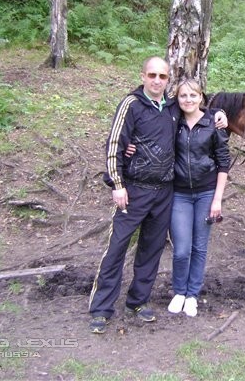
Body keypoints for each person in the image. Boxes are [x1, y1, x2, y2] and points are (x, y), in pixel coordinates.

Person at [88, 57, 226, 334]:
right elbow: (114, 144)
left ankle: (138, 301)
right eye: (152, 75)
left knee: (151, 249)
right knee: (117, 248)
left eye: (162, 76)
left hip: (164, 192)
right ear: (143, 76)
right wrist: (117, 184)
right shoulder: (131, 104)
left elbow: (195, 108)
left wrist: (219, 113)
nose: (157, 80)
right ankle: (101, 308)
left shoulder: (172, 107)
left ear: (168, 80)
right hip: (133, 191)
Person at [166, 79, 230, 317]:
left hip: (206, 193)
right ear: (177, 99)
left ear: (201, 97)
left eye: (193, 95)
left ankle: (192, 294)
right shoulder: (172, 121)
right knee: (182, 249)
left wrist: (217, 199)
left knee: (199, 247)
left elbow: (223, 162)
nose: (188, 100)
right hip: (179, 194)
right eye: (183, 95)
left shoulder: (213, 123)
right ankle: (179, 292)